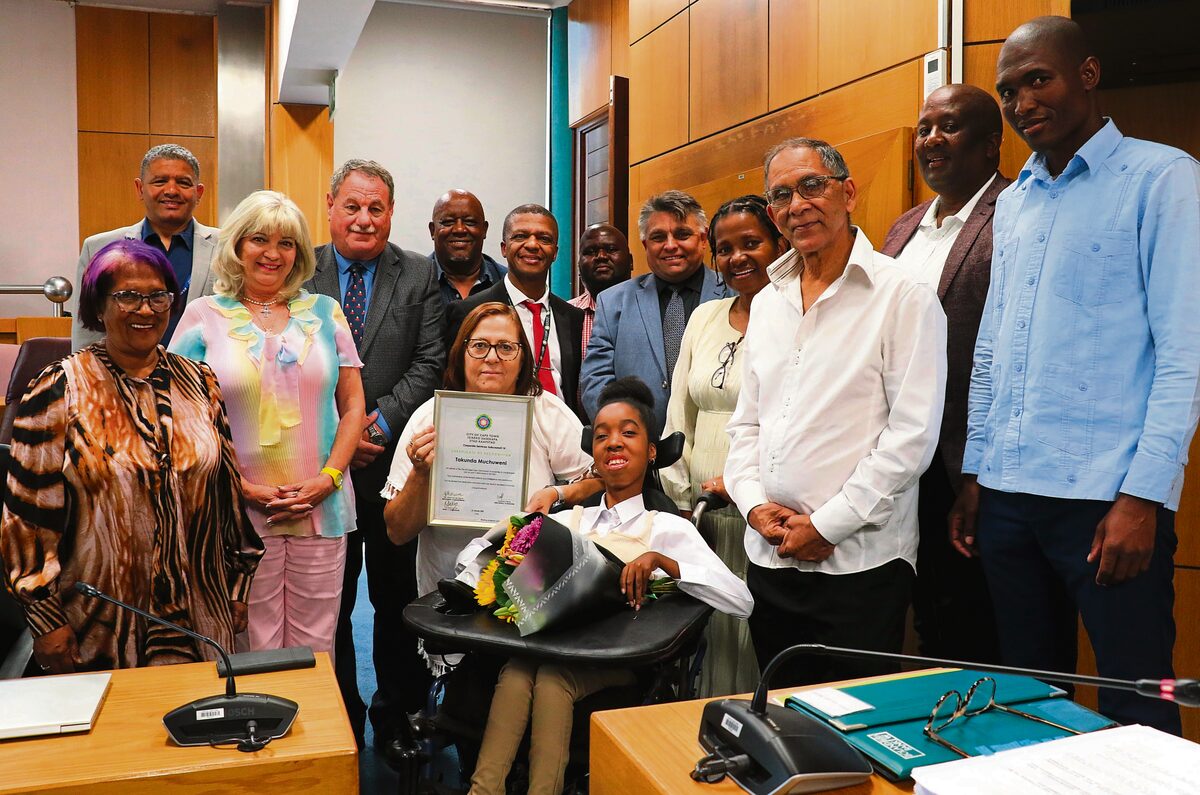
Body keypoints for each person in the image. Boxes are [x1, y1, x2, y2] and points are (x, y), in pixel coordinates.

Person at [952, 16, 1200, 735]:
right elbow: (994, 345)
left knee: (1137, 707)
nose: (1022, 101)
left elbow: (1184, 354)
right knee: (1027, 702)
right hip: (1005, 499)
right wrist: (975, 475)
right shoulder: (1018, 199)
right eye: (1007, 92)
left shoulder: (1164, 178)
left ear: (1087, 75)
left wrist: (1142, 498)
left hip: (1104, 502)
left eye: (1038, 79)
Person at [461, 376, 754, 795]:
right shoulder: (567, 523)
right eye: (602, 436)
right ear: (594, 456)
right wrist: (505, 551)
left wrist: (664, 562)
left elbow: (740, 600)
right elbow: (479, 554)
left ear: (651, 452)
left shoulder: (666, 527)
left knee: (552, 679)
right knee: (517, 670)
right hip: (553, 643)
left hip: (618, 657)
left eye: (628, 433)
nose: (614, 443)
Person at [725, 138, 947, 687]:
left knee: (854, 736)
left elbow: (911, 437)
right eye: (781, 195)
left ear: (847, 193)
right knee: (779, 720)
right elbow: (747, 423)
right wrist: (753, 505)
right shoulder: (770, 301)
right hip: (770, 557)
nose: (797, 204)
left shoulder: (903, 295)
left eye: (811, 185)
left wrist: (829, 525)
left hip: (859, 564)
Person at [2, 239, 262, 672]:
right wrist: (45, 619)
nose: (146, 309)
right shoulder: (58, 388)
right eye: (127, 296)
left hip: (200, 612)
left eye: (158, 295)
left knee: (199, 726)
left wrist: (237, 585)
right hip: (101, 621)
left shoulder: (199, 380)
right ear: (97, 307)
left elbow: (226, 493)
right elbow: (26, 521)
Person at [170, 190, 366, 664]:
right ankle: (255, 739)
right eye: (260, 239)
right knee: (245, 646)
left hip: (321, 507)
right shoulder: (203, 316)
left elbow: (354, 404)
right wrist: (237, 486)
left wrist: (328, 479)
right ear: (237, 245)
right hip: (233, 511)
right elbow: (180, 417)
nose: (273, 253)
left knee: (316, 647)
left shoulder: (325, 312)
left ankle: (314, 740)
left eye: (287, 243)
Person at [309, 159, 446, 751]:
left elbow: (430, 360)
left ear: (391, 213)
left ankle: (396, 717)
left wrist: (376, 422)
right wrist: (339, 432)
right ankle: (337, 713)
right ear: (331, 206)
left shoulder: (419, 274)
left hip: (392, 469)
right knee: (329, 607)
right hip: (319, 470)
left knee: (397, 604)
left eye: (377, 208)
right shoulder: (296, 266)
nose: (364, 219)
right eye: (353, 206)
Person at [880, 85, 1009, 665]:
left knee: (977, 626)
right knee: (924, 617)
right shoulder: (902, 230)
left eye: (949, 126)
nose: (931, 139)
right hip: (901, 459)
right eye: (924, 127)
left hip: (966, 463)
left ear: (990, 144)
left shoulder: (1015, 213)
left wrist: (978, 472)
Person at [383, 302, 602, 630]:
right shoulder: (430, 417)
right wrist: (421, 473)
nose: (492, 357)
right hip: (446, 588)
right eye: (480, 345)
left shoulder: (546, 411)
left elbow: (598, 480)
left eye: (505, 347)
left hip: (531, 586)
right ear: (461, 352)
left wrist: (558, 493)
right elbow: (397, 531)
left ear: (522, 358)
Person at [661, 195, 785, 697]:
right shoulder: (705, 317)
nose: (737, 258)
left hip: (761, 507)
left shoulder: (796, 315)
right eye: (725, 248)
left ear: (780, 242)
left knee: (755, 626)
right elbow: (679, 412)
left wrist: (743, 486)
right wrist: (680, 498)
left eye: (751, 243)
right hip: (701, 514)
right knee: (706, 630)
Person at [581, 191, 728, 433]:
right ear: (645, 245)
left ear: (703, 239)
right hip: (639, 454)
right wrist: (625, 436)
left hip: (717, 448)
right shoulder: (613, 302)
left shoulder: (734, 294)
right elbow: (595, 382)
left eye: (682, 234)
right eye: (659, 237)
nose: (671, 245)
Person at [73, 144, 217, 349]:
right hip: (121, 377)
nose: (171, 190)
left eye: (183, 183)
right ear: (140, 188)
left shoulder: (227, 247)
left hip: (200, 376)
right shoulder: (99, 247)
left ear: (199, 192)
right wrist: (89, 376)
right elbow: (87, 330)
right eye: (160, 181)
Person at [446, 205, 585, 417]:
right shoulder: (469, 311)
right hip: (493, 431)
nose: (532, 245)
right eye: (520, 236)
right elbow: (454, 383)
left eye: (544, 239)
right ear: (504, 248)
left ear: (555, 253)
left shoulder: (573, 317)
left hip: (559, 435)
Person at [429, 189, 508, 304]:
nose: (459, 229)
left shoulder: (507, 282)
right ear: (432, 230)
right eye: (448, 222)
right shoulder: (414, 281)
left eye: (470, 222)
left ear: (484, 230)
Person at [569, 223, 633, 356]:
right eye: (591, 252)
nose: (601, 256)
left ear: (631, 261)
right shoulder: (565, 316)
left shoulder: (651, 308)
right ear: (578, 266)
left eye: (611, 249)